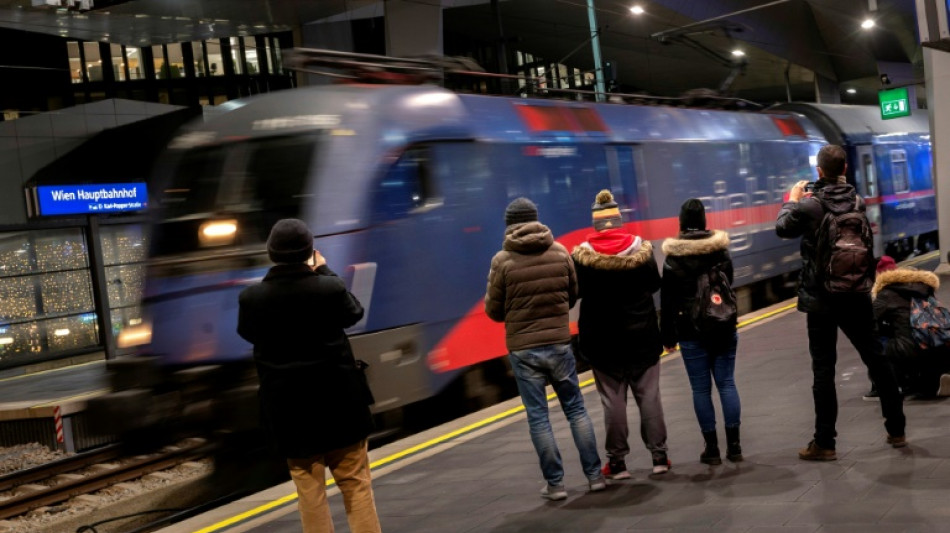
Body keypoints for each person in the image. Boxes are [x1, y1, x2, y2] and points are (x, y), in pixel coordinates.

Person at [237, 218, 381, 533]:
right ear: (309, 252)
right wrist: (324, 270)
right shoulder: (329, 287)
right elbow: (354, 312)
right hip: (340, 407)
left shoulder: (252, 299)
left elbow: (247, 334)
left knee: (310, 494)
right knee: (356, 485)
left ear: (271, 253)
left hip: (289, 414)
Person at [776, 144, 907, 461]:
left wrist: (791, 200)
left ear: (819, 172)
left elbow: (782, 229)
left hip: (821, 298)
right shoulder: (859, 201)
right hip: (857, 293)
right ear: (845, 169)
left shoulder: (810, 206)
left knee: (823, 369)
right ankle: (897, 429)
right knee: (876, 358)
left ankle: (825, 443)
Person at [485, 197, 606, 500]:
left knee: (538, 417)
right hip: (559, 344)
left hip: (524, 350)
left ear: (510, 225)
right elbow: (573, 294)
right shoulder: (560, 251)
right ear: (536, 220)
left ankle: (556, 485)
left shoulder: (502, 261)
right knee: (576, 409)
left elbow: (494, 311)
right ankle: (594, 477)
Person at [571, 190, 670, 478]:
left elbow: (576, 293)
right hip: (642, 336)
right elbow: (654, 284)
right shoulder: (641, 250)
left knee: (612, 401)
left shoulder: (582, 255)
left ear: (596, 225)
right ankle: (659, 457)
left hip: (602, 341)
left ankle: (617, 463)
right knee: (649, 397)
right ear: (619, 221)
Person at [660, 198, 742, 465]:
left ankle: (712, 449)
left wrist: (668, 336)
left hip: (690, 330)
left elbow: (668, 300)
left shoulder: (673, 258)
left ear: (681, 222)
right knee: (727, 383)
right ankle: (735, 447)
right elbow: (729, 284)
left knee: (701, 389)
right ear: (705, 220)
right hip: (723, 324)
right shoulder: (721, 251)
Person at [872, 261, 950, 399]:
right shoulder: (925, 287)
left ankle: (896, 385)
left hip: (910, 346)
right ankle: (935, 380)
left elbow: (869, 322)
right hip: (938, 340)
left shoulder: (886, 293)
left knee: (879, 341)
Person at [863, 256, 900, 401]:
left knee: (873, 342)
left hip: (902, 343)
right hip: (925, 336)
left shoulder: (883, 295)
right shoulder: (915, 284)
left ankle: (879, 387)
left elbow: (869, 320)